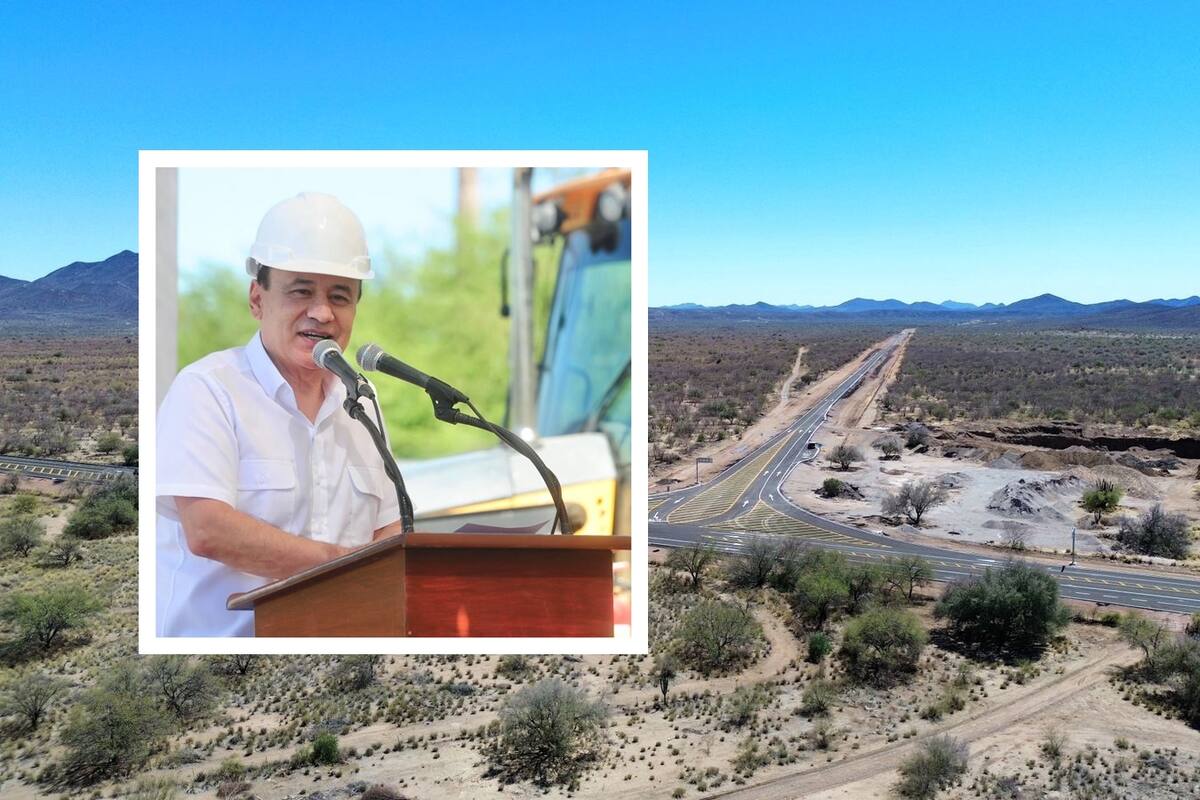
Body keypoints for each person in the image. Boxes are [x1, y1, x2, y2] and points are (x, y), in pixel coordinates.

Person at [156, 193, 403, 637]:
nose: (322, 312)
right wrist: (341, 568)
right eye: (301, 291)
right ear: (257, 298)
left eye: (340, 296)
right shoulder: (208, 389)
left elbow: (390, 528)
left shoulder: (362, 401)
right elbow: (208, 529)